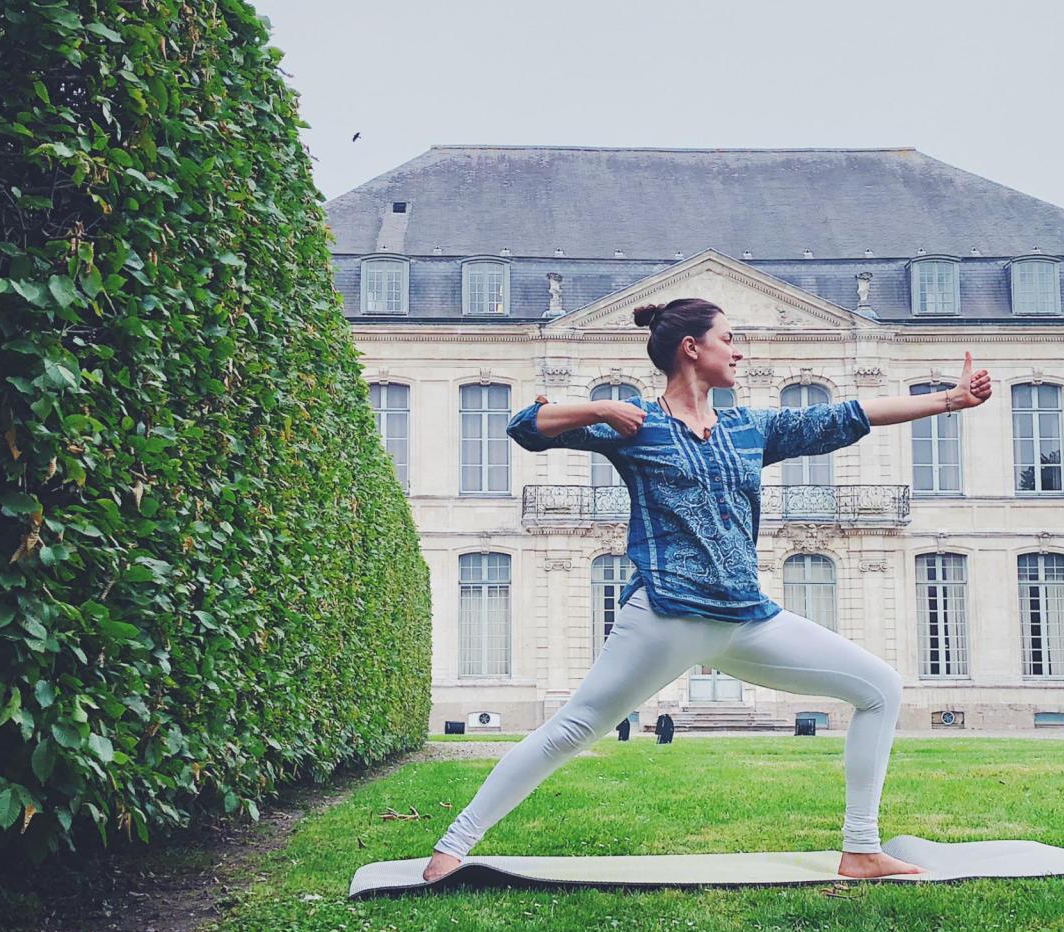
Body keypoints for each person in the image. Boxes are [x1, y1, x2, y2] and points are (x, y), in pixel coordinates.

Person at [421, 298, 993, 882]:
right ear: (692, 348)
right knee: (574, 727)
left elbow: (850, 416)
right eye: (728, 338)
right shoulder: (636, 425)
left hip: (747, 617)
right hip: (666, 616)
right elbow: (524, 428)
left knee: (880, 688)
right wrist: (599, 407)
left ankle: (861, 848)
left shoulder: (750, 428)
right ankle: (452, 846)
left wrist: (951, 400)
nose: (739, 349)